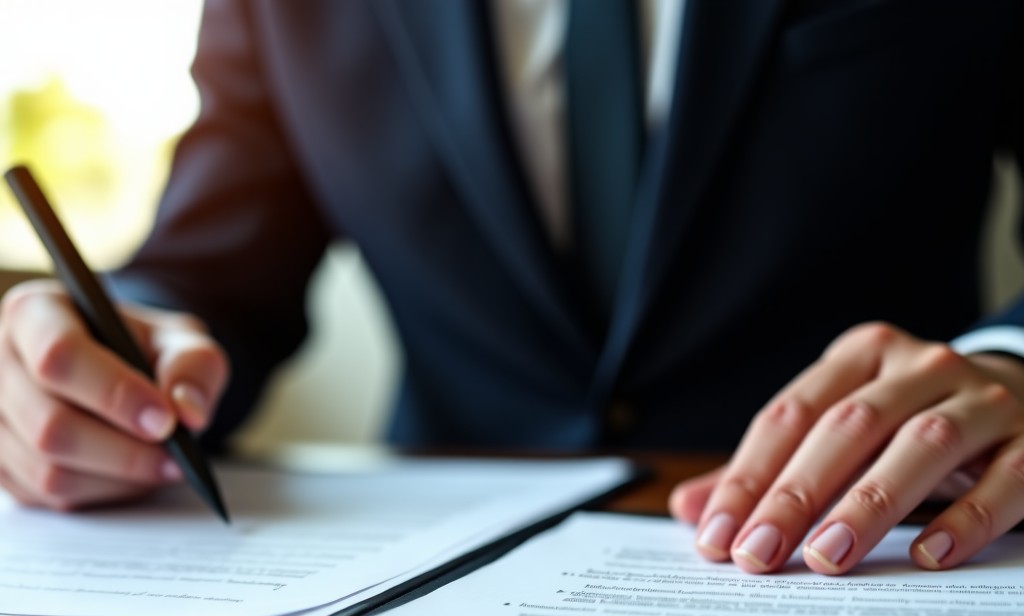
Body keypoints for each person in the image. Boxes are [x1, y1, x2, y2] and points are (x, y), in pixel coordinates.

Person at [1, 0, 1023, 577]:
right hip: (420, 606)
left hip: (876, 564)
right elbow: (212, 268)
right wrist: (92, 358)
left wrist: (1009, 367)